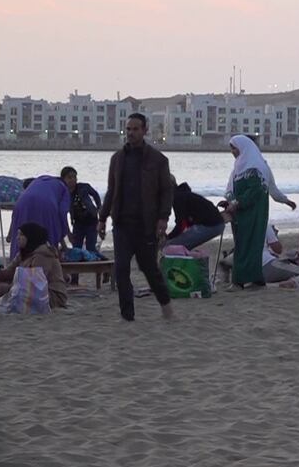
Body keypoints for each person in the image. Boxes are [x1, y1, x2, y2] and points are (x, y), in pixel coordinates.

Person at [97, 113, 175, 321]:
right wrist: (102, 218)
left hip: (146, 225)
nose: (131, 133)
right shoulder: (117, 158)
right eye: (128, 129)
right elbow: (111, 190)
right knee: (121, 270)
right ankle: (127, 315)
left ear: (144, 130)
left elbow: (167, 191)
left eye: (135, 129)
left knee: (149, 269)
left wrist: (163, 217)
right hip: (122, 224)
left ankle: (166, 307)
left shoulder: (158, 160)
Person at [222, 135, 297, 289]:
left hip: (254, 213)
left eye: (234, 148)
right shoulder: (238, 167)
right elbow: (229, 190)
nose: (232, 152)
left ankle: (240, 282)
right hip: (240, 214)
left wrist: (286, 201)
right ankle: (252, 280)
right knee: (241, 245)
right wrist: (229, 202)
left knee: (251, 245)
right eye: (231, 148)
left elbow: (260, 190)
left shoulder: (259, 167)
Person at [0, 222, 69, 309]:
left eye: (21, 235)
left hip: (52, 296)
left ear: (30, 236)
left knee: (3, 288)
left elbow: (35, 283)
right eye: (17, 234)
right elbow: (7, 274)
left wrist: (8, 287)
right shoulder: (23, 254)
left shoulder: (42, 255)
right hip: (31, 291)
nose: (17, 238)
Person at [7, 174, 73, 259]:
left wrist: (10, 234)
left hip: (21, 203)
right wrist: (67, 233)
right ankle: (49, 263)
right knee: (48, 236)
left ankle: (16, 265)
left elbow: (14, 218)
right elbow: (62, 213)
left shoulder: (37, 182)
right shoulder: (63, 187)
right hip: (47, 206)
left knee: (23, 236)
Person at [167, 182, 226, 250]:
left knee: (170, 246)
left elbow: (181, 225)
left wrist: (168, 238)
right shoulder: (184, 194)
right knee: (178, 242)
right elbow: (185, 223)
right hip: (215, 223)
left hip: (211, 225)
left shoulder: (178, 197)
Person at [62, 166, 101, 255]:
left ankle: (96, 261)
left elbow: (95, 194)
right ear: (63, 179)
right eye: (69, 177)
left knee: (90, 247)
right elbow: (63, 214)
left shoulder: (83, 187)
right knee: (76, 248)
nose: (73, 180)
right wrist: (68, 233)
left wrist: (99, 208)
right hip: (78, 223)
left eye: (74, 177)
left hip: (91, 220)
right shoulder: (64, 194)